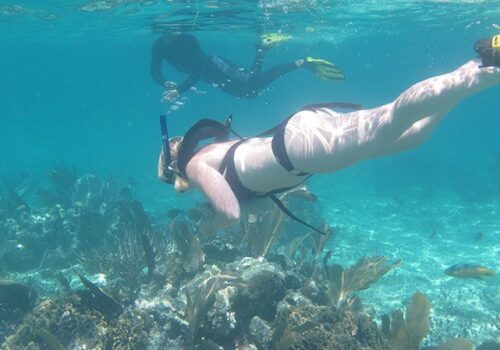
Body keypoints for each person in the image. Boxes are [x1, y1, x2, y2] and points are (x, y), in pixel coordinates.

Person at [158, 35, 500, 235]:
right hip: (302, 143)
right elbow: (258, 206)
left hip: (303, 149)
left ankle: (483, 68)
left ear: (176, 165)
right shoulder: (214, 159)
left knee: (393, 116)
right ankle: (476, 73)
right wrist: (221, 207)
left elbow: (230, 214)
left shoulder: (197, 166)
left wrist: (206, 231)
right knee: (412, 135)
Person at [151, 32, 344, 102]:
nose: (170, 34)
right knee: (249, 94)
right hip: (209, 78)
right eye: (164, 30)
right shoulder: (158, 46)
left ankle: (301, 62)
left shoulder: (188, 39)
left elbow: (199, 69)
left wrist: (179, 90)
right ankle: (261, 51)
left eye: (173, 30)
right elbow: (154, 70)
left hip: (215, 65)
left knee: (253, 81)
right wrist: (163, 83)